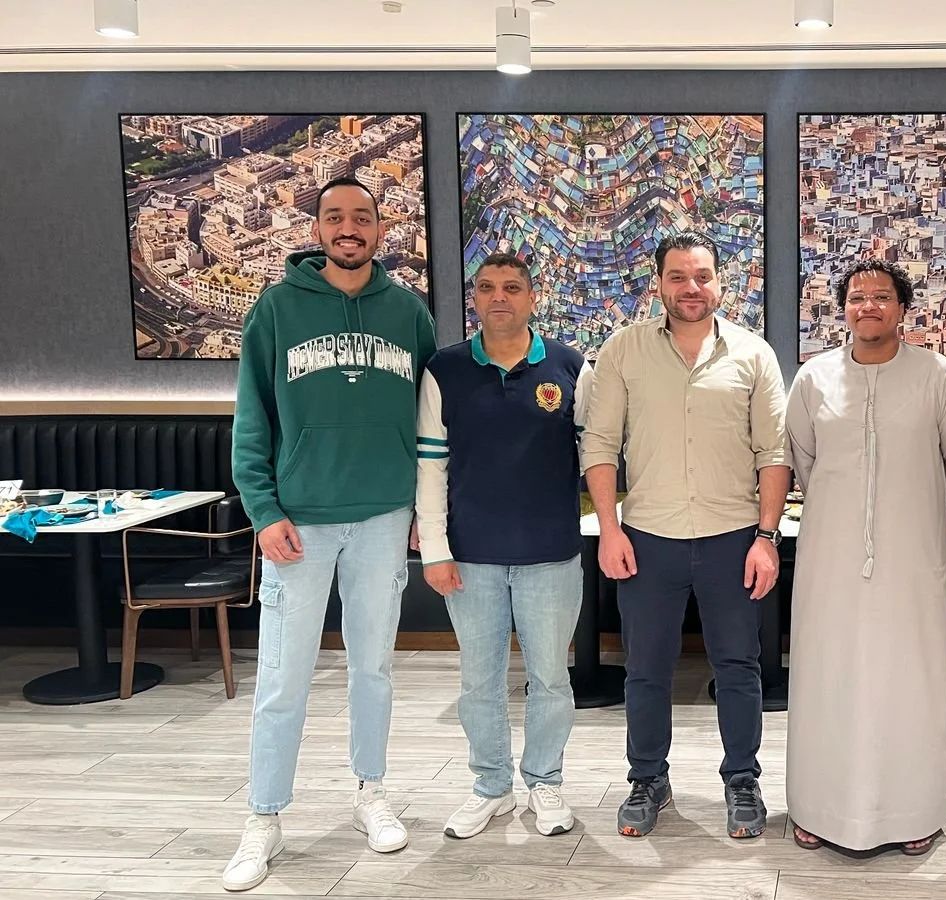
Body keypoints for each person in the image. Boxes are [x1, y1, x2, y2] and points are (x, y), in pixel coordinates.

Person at [224, 176, 438, 892]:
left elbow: (431, 421)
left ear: (381, 228)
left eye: (362, 217)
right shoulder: (276, 308)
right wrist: (262, 511)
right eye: (335, 217)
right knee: (282, 677)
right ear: (316, 229)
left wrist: (424, 509)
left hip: (384, 516)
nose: (349, 228)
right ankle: (264, 815)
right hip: (299, 523)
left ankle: (371, 791)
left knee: (373, 667)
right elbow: (252, 418)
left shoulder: (408, 312)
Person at [579, 230, 789, 840]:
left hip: (733, 538)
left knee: (739, 666)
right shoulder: (623, 350)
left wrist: (767, 537)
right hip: (648, 538)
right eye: (677, 276)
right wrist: (609, 529)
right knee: (645, 669)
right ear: (659, 284)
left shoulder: (753, 354)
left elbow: (773, 452)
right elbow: (600, 444)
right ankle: (647, 779)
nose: (690, 288)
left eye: (702, 276)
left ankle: (742, 778)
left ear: (720, 282)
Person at [785, 259, 946, 856]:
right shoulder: (814, 379)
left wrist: (922, 531)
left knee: (912, 681)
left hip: (913, 563)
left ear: (902, 308)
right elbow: (804, 462)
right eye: (856, 297)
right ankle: (818, 807)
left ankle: (914, 812)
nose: (867, 306)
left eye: (881, 296)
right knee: (827, 676)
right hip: (829, 560)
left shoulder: (938, 377)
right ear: (843, 309)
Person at [413, 252, 592, 841]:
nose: (499, 297)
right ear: (474, 298)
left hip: (552, 552)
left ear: (532, 297)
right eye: (487, 287)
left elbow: (593, 454)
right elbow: (431, 465)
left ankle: (544, 781)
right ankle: (491, 786)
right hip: (470, 556)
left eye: (512, 287)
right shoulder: (445, 369)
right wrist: (434, 548)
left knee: (550, 679)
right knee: (479, 682)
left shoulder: (570, 365)